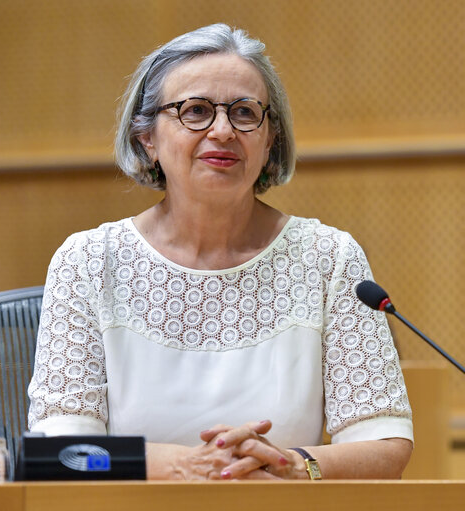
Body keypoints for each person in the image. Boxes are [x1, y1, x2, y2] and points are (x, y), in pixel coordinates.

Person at [27, 23, 413, 480]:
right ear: (146, 137)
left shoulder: (329, 257)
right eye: (195, 111)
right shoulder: (88, 261)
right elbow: (66, 454)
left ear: (270, 138)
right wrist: (180, 467)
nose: (224, 131)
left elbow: (384, 446)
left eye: (246, 113)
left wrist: (293, 464)